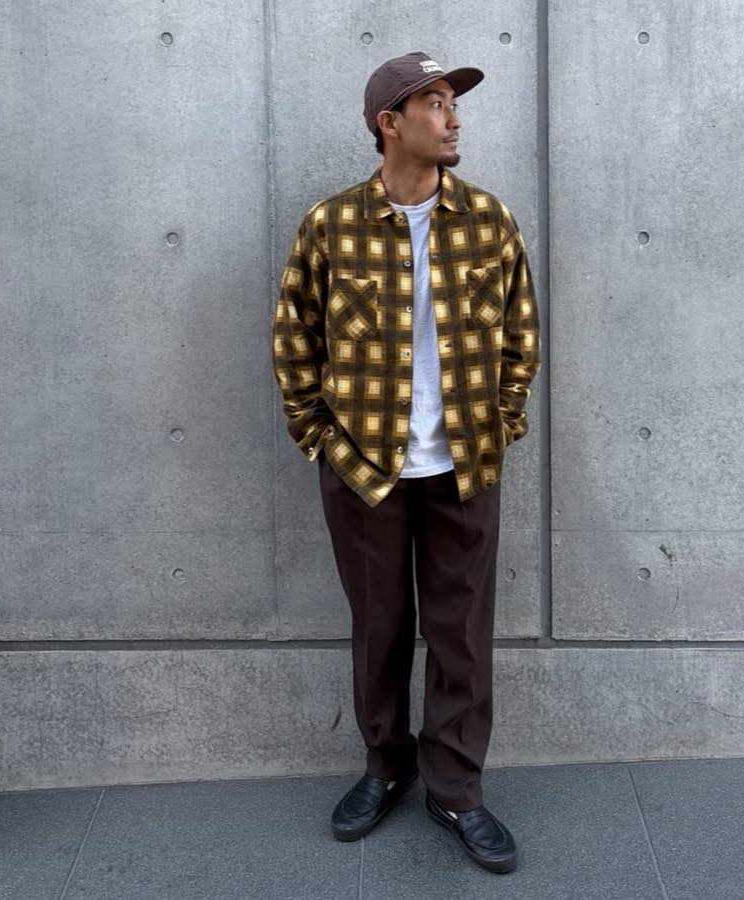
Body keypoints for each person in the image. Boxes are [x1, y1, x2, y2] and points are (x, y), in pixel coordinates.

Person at [270, 50, 541, 874]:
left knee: (461, 635)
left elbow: (519, 335)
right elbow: (293, 338)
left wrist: (498, 424)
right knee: (378, 629)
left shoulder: (487, 219)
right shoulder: (331, 225)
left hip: (464, 464)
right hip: (363, 469)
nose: (453, 118)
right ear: (389, 123)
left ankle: (455, 789)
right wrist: (321, 438)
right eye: (435, 103)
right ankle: (385, 767)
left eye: (453, 103)